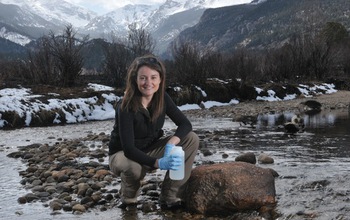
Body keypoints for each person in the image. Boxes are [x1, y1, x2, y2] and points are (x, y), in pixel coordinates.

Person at [108, 54, 199, 210]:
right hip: (122, 155)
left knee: (191, 139)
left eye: (153, 77)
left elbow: (185, 124)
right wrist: (157, 163)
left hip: (150, 149)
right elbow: (129, 149)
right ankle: (129, 200)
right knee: (133, 167)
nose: (148, 83)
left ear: (160, 80)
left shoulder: (162, 98)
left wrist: (172, 141)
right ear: (135, 80)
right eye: (143, 78)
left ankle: (170, 195)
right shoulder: (126, 105)